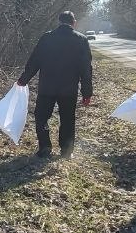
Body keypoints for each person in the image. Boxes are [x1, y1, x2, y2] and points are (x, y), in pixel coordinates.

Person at [16, 11, 94, 159]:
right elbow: (86, 69)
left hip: (47, 87)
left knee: (41, 117)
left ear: (59, 22)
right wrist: (87, 93)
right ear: (74, 22)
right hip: (69, 89)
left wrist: (23, 79)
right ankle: (66, 151)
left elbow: (34, 61)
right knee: (67, 119)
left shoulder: (47, 38)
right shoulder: (81, 40)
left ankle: (45, 146)